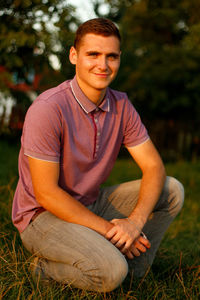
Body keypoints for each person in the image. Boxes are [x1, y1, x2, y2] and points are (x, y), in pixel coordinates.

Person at [12, 18, 184, 292]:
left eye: (111, 56)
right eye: (93, 54)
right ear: (74, 56)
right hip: (42, 217)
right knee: (110, 271)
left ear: (119, 59)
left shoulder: (121, 105)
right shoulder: (48, 108)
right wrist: (110, 231)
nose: (103, 65)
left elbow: (154, 166)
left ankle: (133, 274)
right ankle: (42, 269)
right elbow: (46, 194)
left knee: (171, 189)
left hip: (90, 204)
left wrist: (133, 223)